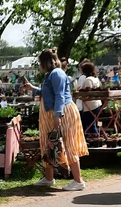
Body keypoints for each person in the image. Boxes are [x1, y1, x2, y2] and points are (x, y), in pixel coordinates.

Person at [24, 49, 88, 191]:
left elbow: (60, 95)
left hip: (63, 112)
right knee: (49, 144)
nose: (39, 66)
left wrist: (57, 115)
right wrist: (32, 88)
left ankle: (78, 181)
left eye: (40, 63)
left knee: (69, 144)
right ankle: (49, 178)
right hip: (54, 112)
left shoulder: (56, 74)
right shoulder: (51, 74)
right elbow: (48, 93)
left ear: (45, 62)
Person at [76, 60, 102, 135]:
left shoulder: (88, 80)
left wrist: (79, 92)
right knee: (92, 122)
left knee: (87, 123)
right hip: (97, 104)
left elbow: (85, 92)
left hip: (90, 105)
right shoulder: (96, 78)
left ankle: (93, 136)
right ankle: (95, 136)